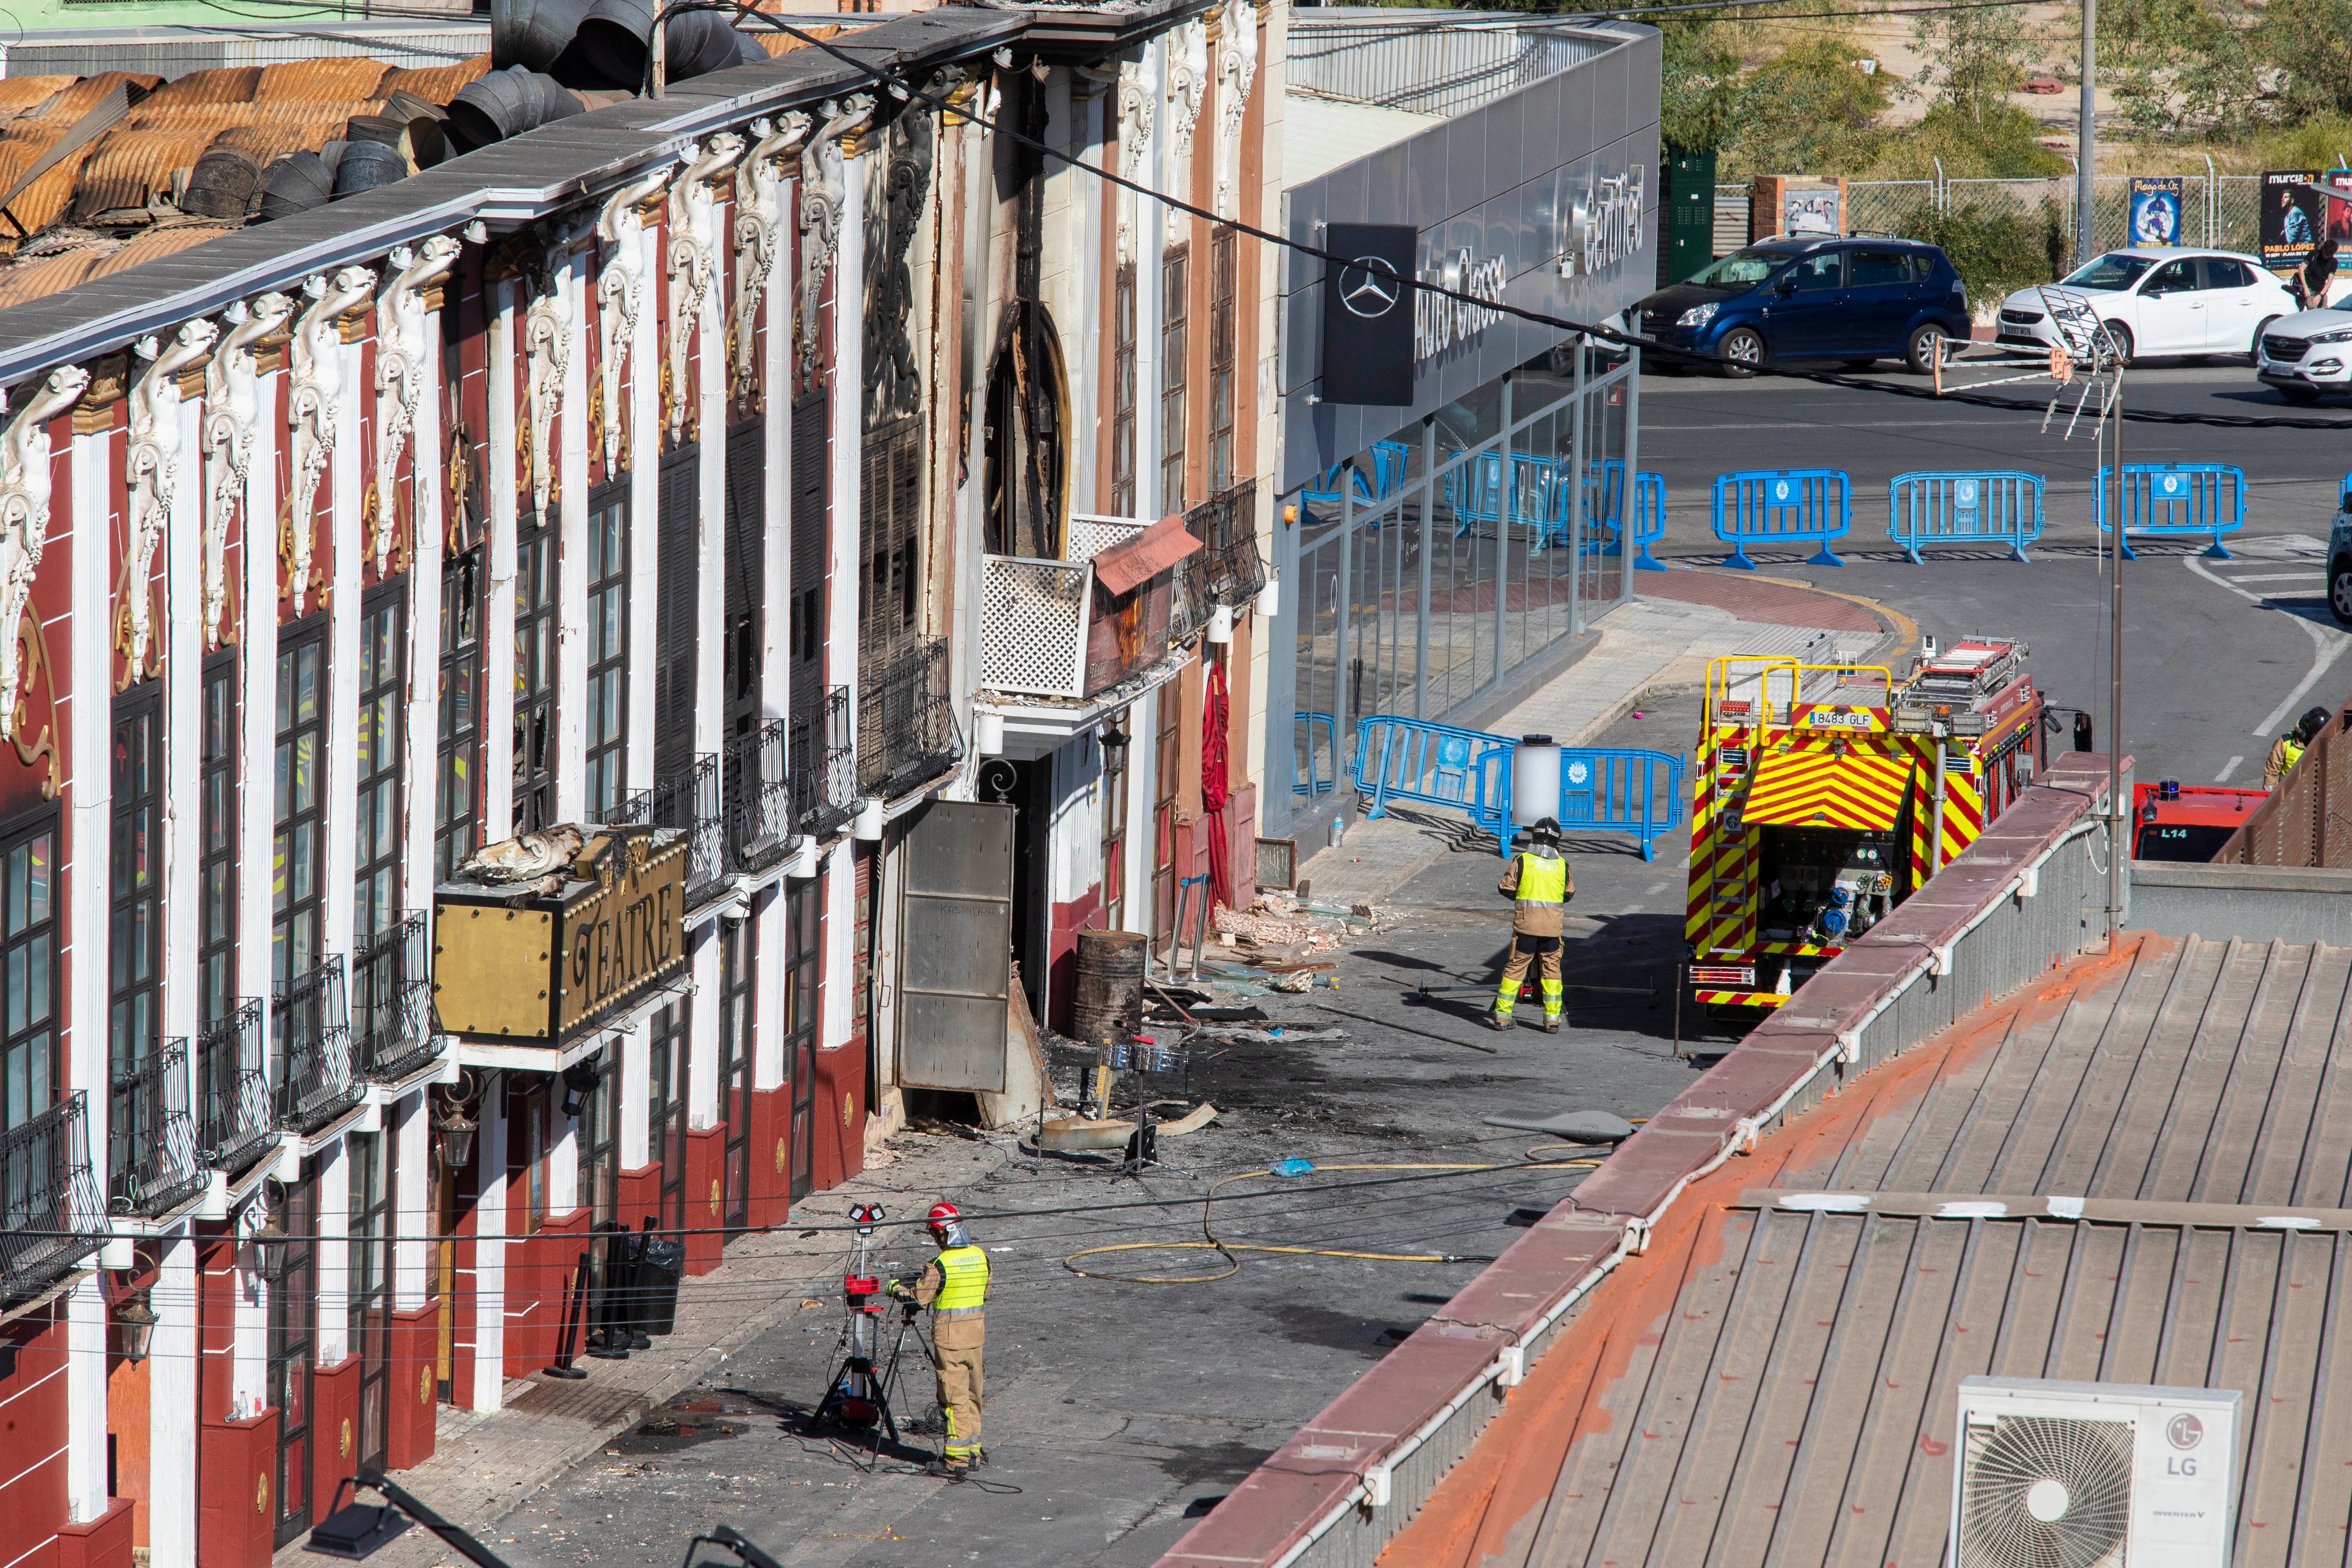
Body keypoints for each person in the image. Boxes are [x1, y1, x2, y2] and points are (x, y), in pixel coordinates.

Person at [892, 1201, 988, 1473]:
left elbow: (920, 1299)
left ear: (943, 1233)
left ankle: (955, 1462)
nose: (934, 1239)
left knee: (953, 1400)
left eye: (934, 1234)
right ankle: (973, 1454)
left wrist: (895, 1289)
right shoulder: (982, 1257)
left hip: (950, 1344)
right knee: (973, 1398)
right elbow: (983, 1294)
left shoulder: (939, 1264)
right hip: (976, 1339)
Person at [1491, 816, 1572, 1031]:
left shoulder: (1523, 861)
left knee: (1515, 969)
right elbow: (1569, 894)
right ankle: (1552, 1020)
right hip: (1552, 931)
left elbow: (1505, 887)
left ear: (1534, 836)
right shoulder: (1563, 865)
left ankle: (1502, 1017)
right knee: (1552, 972)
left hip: (1526, 927)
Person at [2265, 705, 2331, 786]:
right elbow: (2271, 772)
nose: (2318, 739)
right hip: (2288, 795)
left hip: (2314, 794)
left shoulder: (2328, 744)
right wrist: (2270, 796)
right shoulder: (2285, 743)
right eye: (2316, 736)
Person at [2307, 239, 2340, 309]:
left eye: (2328, 255)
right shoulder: (2315, 255)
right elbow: (2301, 269)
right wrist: (2305, 288)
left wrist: (2321, 295)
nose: (2325, 256)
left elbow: (2329, 281)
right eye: (2325, 253)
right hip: (2310, 288)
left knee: (2324, 311)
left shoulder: (2334, 262)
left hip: (2321, 290)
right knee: (2313, 310)